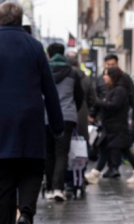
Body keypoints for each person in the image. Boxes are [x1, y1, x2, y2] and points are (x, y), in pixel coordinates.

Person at [0, 2, 63, 224]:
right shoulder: (34, 46)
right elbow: (49, 89)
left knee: (1, 182)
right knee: (32, 172)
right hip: (29, 123)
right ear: (21, 21)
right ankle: (27, 214)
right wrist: (57, 123)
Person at [90, 67, 134, 184]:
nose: (104, 77)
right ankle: (94, 174)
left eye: (106, 75)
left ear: (112, 76)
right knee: (105, 149)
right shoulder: (114, 89)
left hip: (117, 126)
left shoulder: (120, 90)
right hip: (111, 126)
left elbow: (114, 105)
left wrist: (98, 101)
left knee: (125, 151)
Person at [45, 42, 83, 202]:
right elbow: (79, 96)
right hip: (67, 116)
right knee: (62, 153)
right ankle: (58, 188)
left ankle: (48, 189)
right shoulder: (73, 72)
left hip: (45, 116)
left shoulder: (43, 69)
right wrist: (72, 109)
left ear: (49, 54)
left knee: (48, 153)